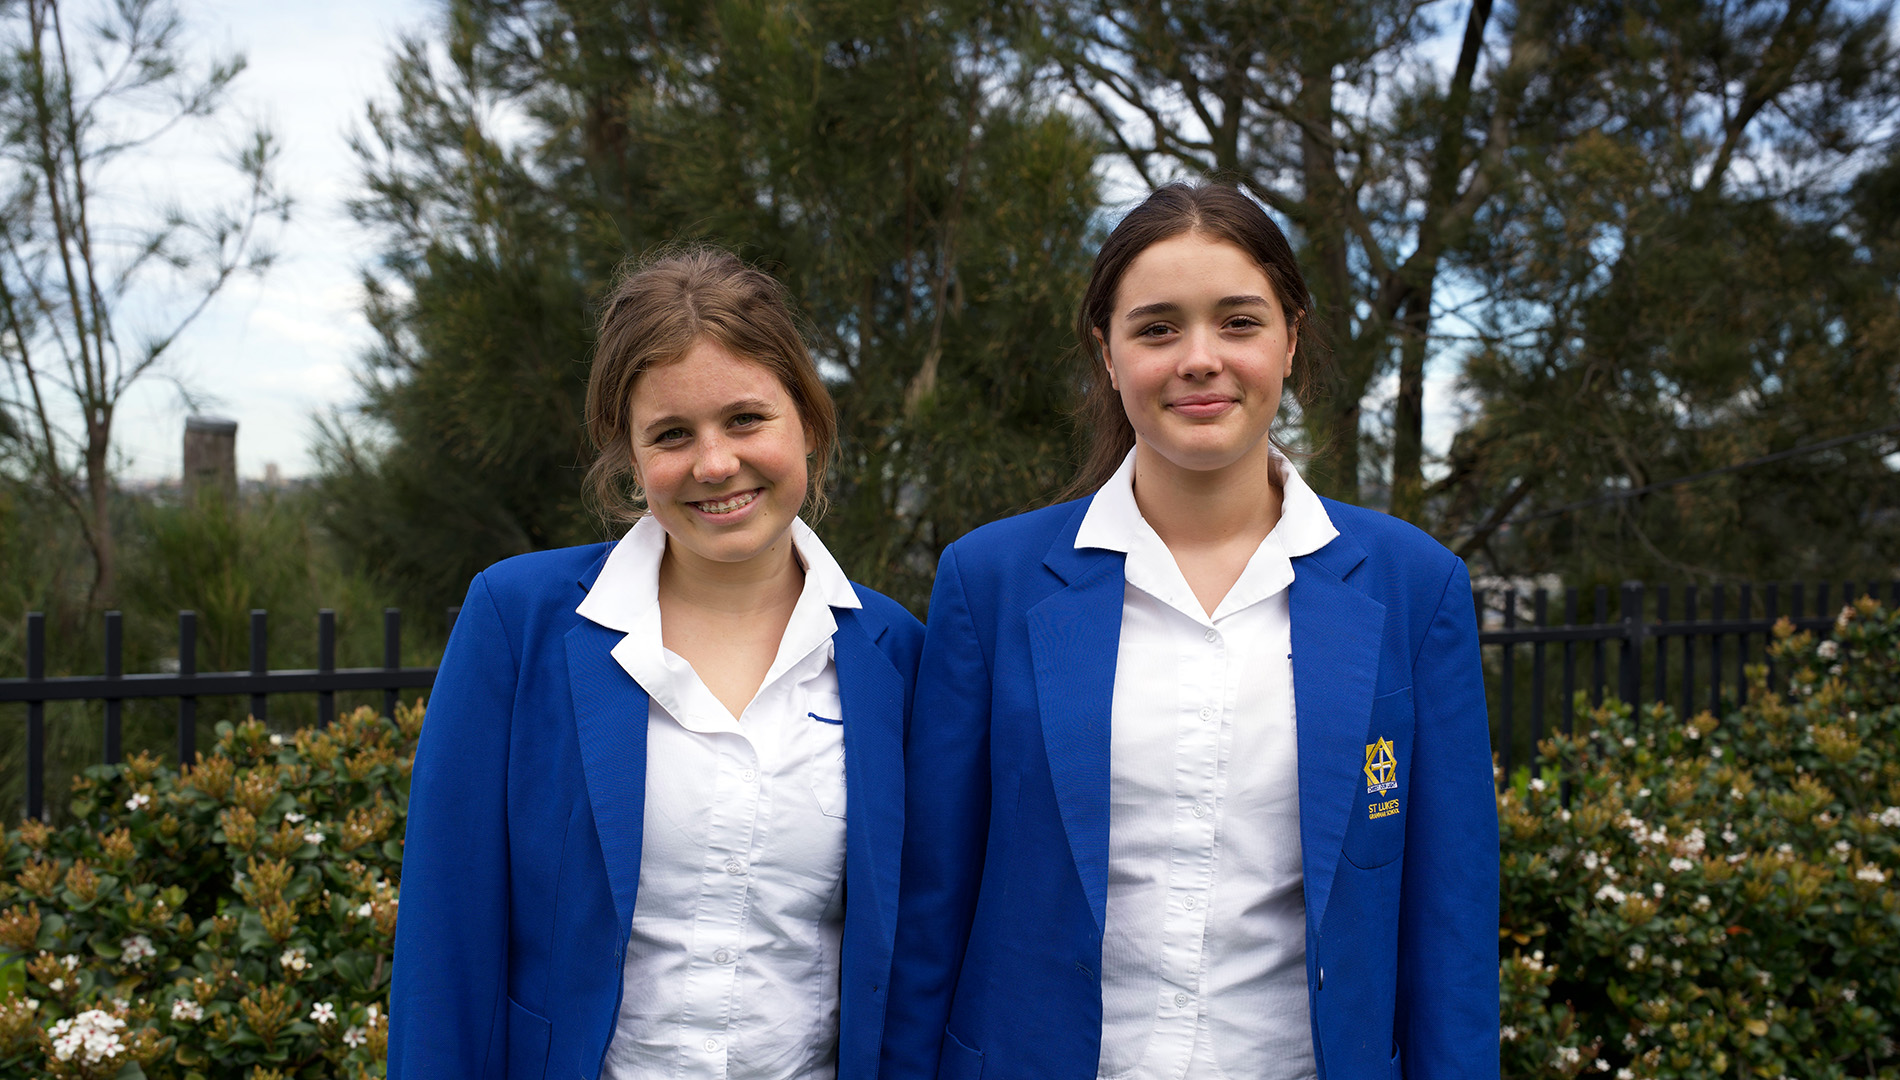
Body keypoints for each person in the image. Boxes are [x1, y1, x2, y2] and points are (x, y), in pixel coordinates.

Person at [880, 183, 1498, 1080]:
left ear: (1290, 336)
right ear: (1108, 352)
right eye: (1158, 327)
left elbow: (1450, 923)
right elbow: (932, 907)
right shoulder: (990, 585)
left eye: (1238, 323)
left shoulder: (1415, 587)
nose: (1199, 359)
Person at [389, 249, 924, 1080]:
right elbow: (445, 938)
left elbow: (918, 953)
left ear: (808, 424)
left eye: (747, 419)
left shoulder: (897, 657)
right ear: (631, 459)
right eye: (673, 434)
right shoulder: (517, 621)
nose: (714, 464)